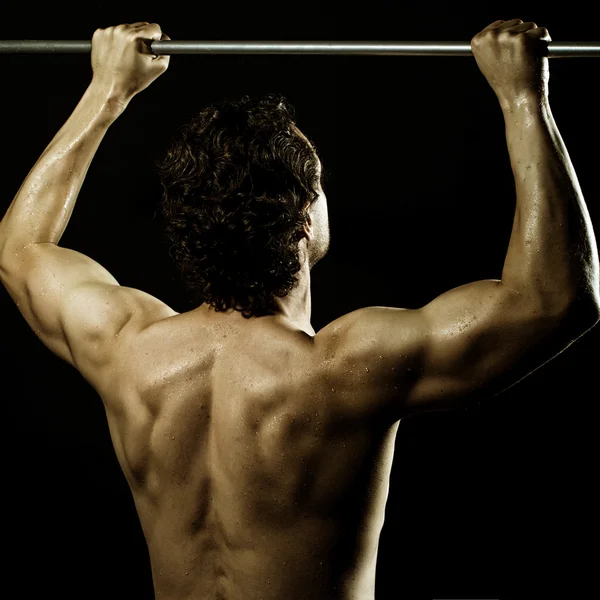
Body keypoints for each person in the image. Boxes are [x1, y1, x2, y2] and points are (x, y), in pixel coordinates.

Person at [0, 18, 598, 600]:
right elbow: (553, 297)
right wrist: (523, 99)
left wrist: (106, 92)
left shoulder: (127, 349)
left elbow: (22, 248)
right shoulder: (342, 371)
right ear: (307, 218)